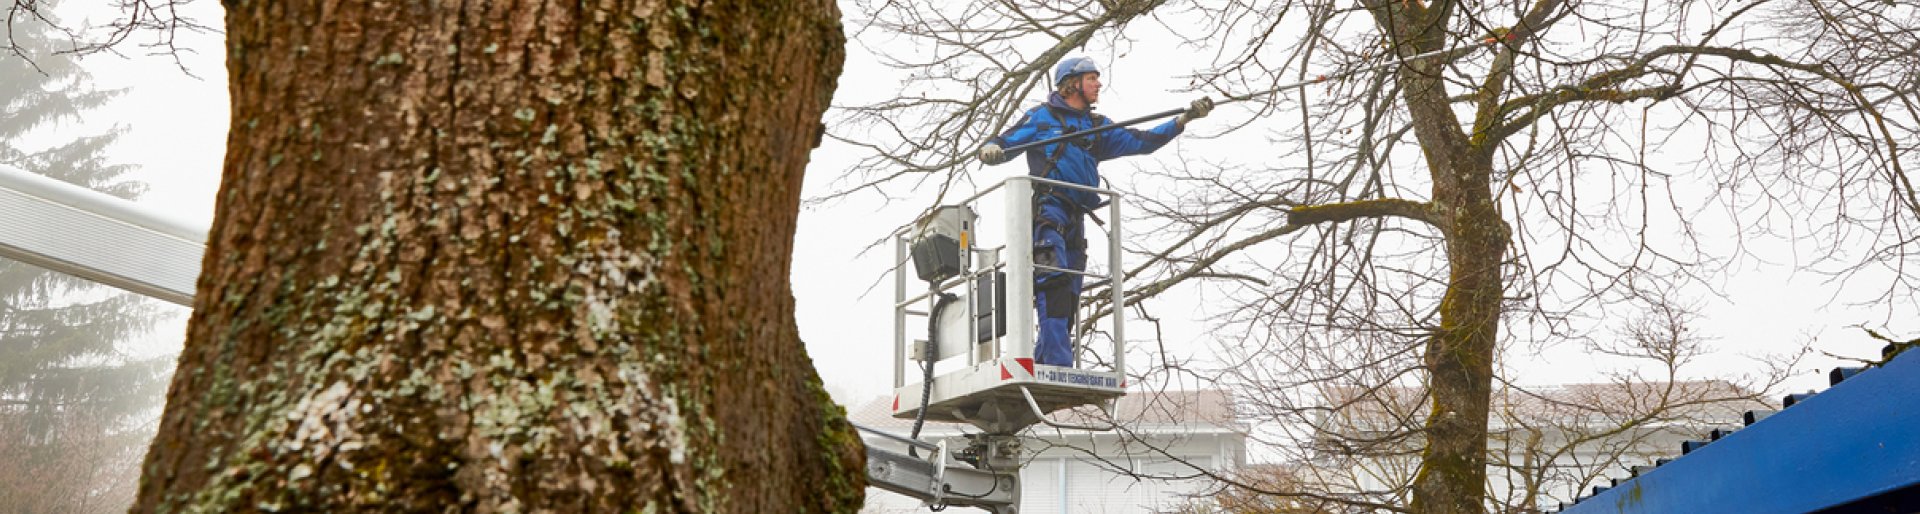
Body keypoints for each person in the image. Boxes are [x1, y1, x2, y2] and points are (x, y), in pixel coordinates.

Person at [976, 56, 1213, 367]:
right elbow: (1004, 143)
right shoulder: (1041, 118)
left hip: (1076, 217)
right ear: (1072, 83)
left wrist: (1182, 120)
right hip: (1050, 211)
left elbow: (1142, 141)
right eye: (1092, 78)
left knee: (1071, 291)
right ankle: (1058, 365)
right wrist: (991, 149)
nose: (1099, 84)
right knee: (1054, 283)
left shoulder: (1097, 127)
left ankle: (1045, 362)